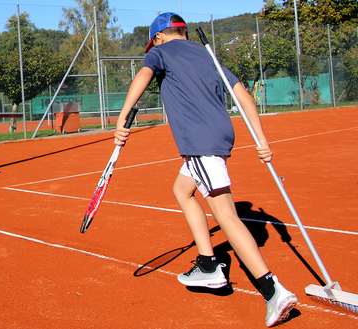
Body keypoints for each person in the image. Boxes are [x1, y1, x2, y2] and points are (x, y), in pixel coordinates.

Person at [114, 13, 298, 327]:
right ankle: (208, 264)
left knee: (225, 215)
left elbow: (144, 75)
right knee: (182, 190)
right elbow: (243, 96)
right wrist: (262, 141)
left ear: (158, 37)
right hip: (217, 136)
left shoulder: (159, 52)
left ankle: (273, 291)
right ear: (183, 33)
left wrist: (123, 117)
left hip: (200, 141)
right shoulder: (208, 54)